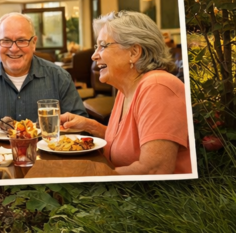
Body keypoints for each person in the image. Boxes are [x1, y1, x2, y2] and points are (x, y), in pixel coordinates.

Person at [60, 11, 191, 175]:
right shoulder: (126, 89)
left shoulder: (158, 87)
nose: (94, 56)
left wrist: (89, 175)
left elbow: (154, 170)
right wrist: (88, 125)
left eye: (103, 46)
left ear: (134, 52)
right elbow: (126, 144)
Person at [0, 13, 88, 128]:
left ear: (34, 43)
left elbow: (79, 126)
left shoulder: (60, 78)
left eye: (22, 40)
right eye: (6, 41)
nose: (14, 49)